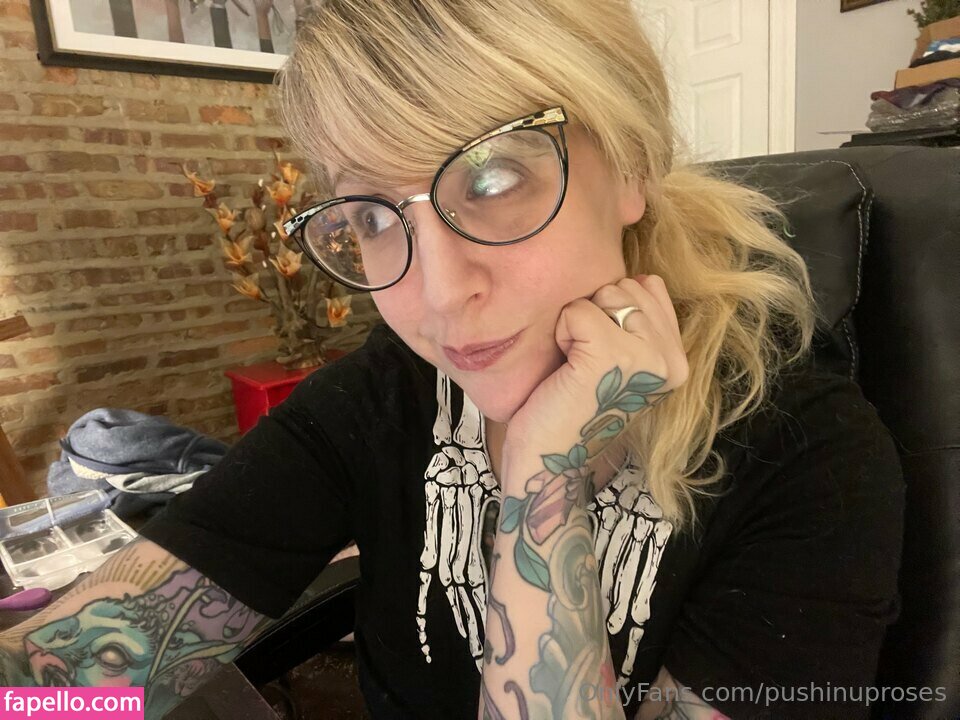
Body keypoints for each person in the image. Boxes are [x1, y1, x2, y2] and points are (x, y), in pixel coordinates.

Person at [0, 0, 904, 718]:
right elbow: (63, 687)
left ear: (631, 166)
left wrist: (544, 474)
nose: (436, 294)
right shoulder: (383, 398)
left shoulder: (811, 459)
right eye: (371, 216)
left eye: (496, 178)